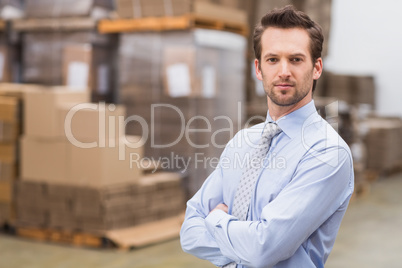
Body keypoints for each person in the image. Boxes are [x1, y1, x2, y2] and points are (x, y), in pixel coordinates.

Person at [180, 5, 354, 268]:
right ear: (259, 69)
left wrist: (216, 220)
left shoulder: (328, 153)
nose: (283, 71)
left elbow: (264, 249)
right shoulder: (242, 143)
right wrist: (243, 243)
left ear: (316, 68)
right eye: (273, 59)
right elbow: (189, 232)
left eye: (296, 59)